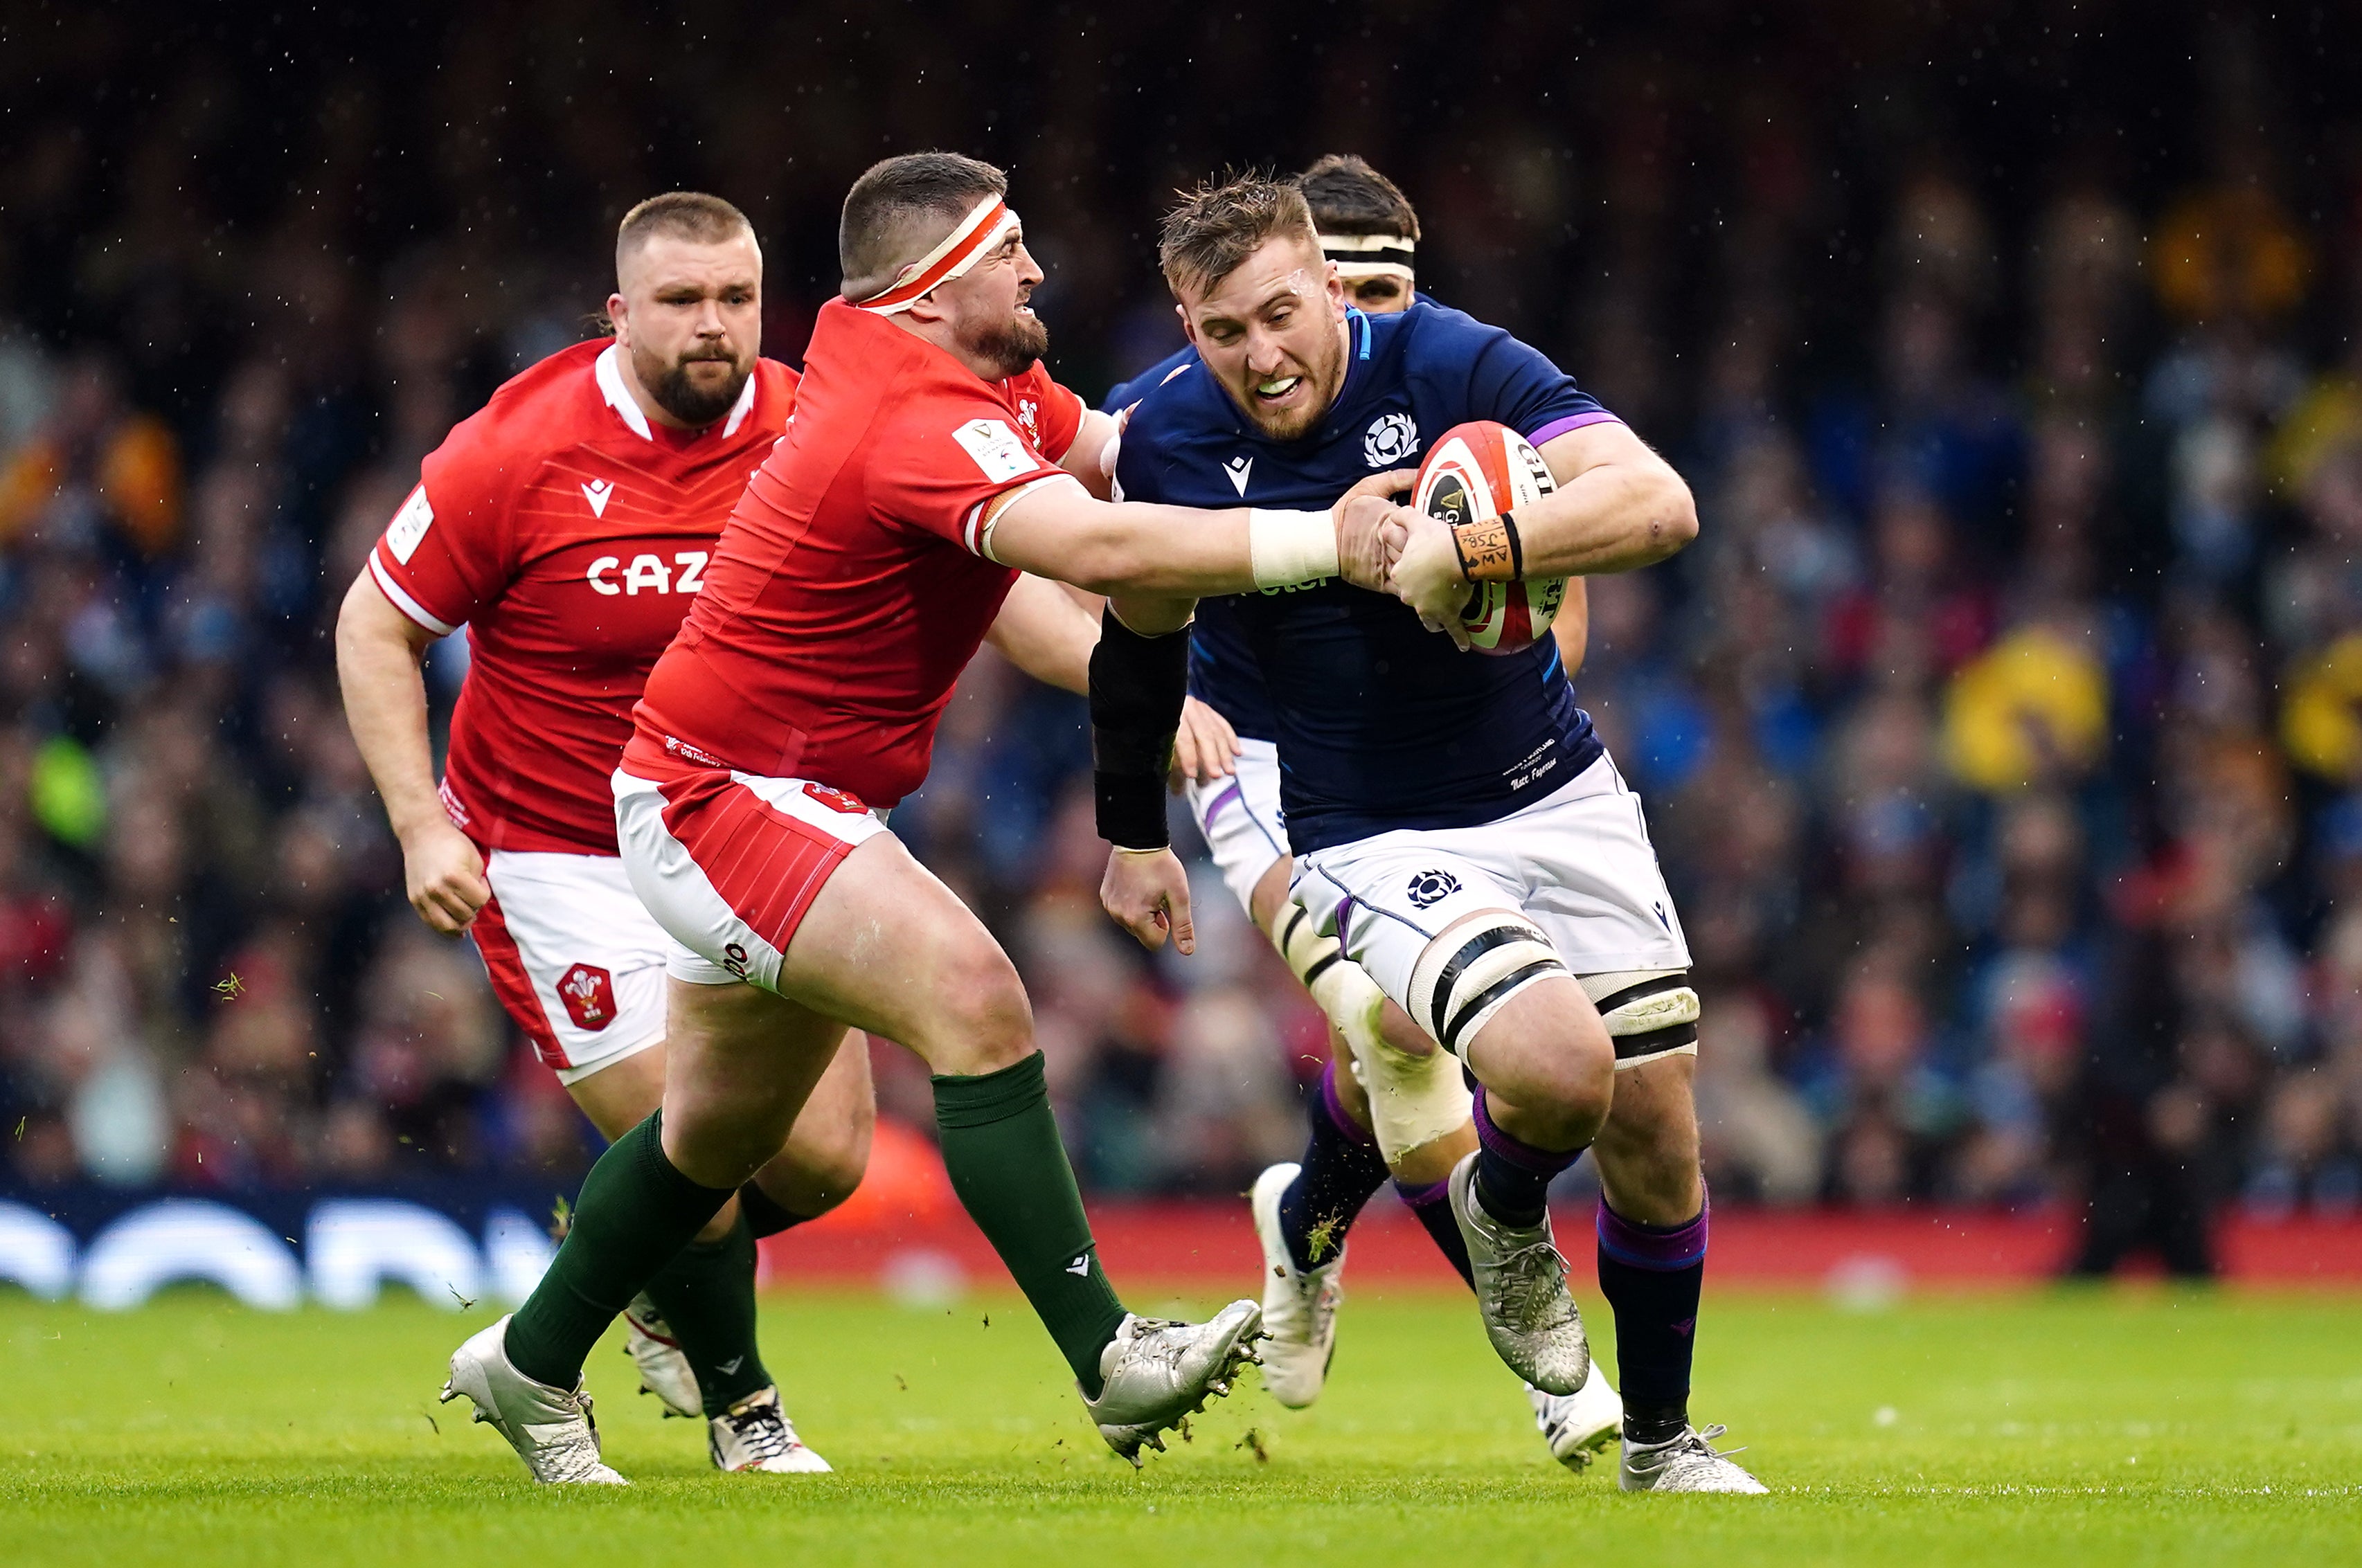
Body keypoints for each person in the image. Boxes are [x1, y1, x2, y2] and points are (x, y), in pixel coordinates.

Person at [436, 152, 1408, 1485]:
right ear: (934, 285)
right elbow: (1101, 549)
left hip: (756, 786)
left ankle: (529, 1360)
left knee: (710, 1145)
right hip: (723, 792)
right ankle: (1107, 1354)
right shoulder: (907, 408)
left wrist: (1338, 400)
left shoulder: (973, 378)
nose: (1037, 268)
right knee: (978, 995)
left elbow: (1130, 455)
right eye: (1009, 248)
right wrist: (1325, 542)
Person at [337, 191, 1102, 1473]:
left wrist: (1134, 687)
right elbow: (377, 621)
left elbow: (1001, 575)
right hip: (559, 854)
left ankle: (601, 1287)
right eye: (683, 302)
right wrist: (420, 823)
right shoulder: (517, 448)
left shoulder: (823, 419)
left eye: (737, 300)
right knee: (701, 1135)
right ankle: (747, 1414)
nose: (714, 327)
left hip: (750, 828)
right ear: (617, 309)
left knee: (816, 1164)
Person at [1116, 173, 1766, 1493]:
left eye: (1287, 314)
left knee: (1653, 1123)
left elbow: (1660, 506)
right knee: (1529, 1061)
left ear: (1338, 287)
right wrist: (1145, 729)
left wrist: (1478, 552)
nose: (1262, 354)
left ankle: (1657, 1439)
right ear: (1188, 324)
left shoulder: (1461, 366)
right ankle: (1501, 1230)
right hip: (1349, 810)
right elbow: (1059, 550)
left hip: (1554, 783)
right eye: (1225, 331)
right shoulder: (1158, 429)